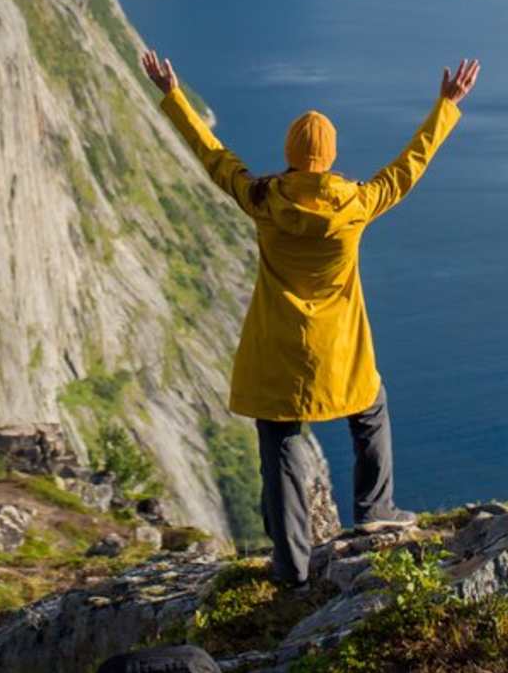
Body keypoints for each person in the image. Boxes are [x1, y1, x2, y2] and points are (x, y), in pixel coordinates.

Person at [141, 48, 481, 588]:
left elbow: (212, 156)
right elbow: (408, 167)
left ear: (292, 155)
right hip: (339, 349)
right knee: (371, 413)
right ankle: (374, 510)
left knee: (280, 447)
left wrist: (172, 94)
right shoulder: (356, 204)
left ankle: (290, 567)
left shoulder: (262, 198)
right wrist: (445, 106)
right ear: (331, 157)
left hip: (277, 349)